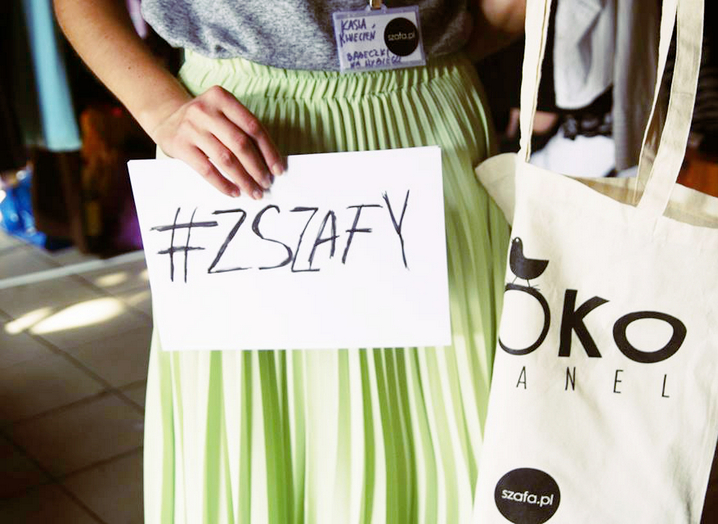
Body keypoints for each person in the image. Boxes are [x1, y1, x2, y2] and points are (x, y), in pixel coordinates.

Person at [54, 1, 524, 522]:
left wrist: (435, 53)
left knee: (455, 428)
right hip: (237, 136)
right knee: (265, 435)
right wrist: (160, 109)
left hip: (426, 117)